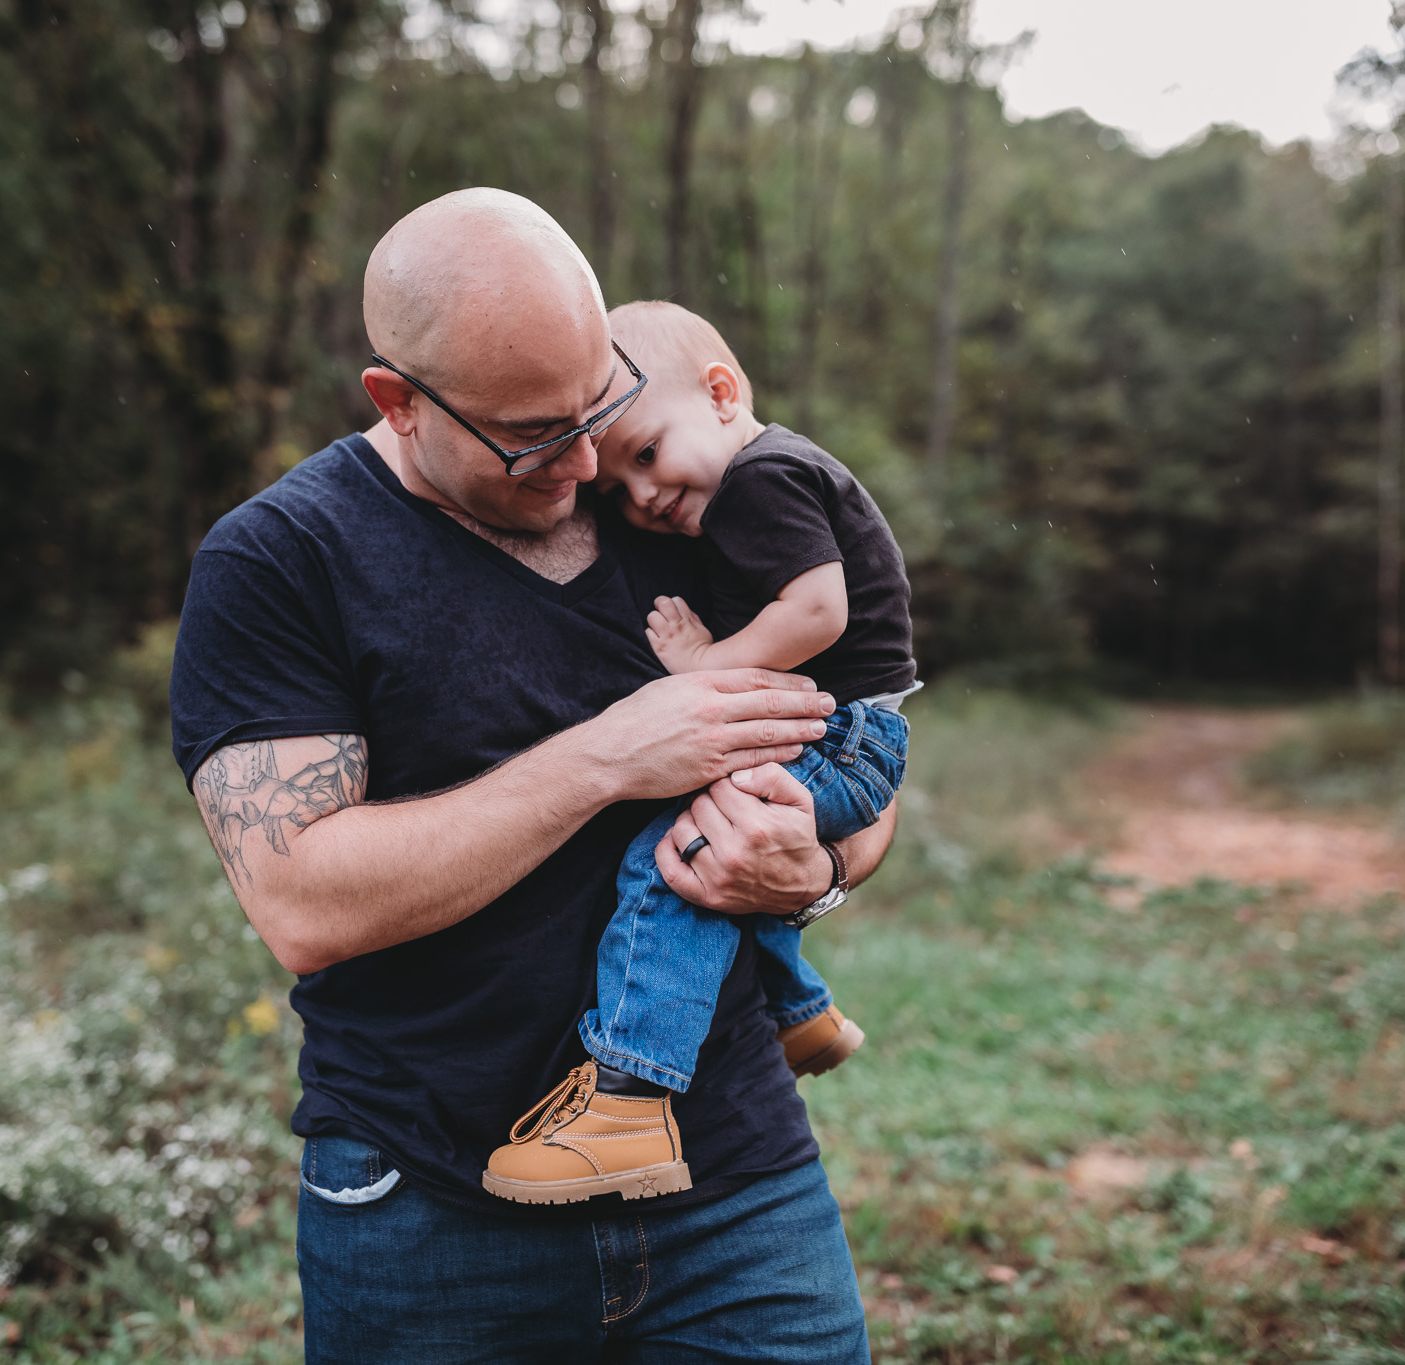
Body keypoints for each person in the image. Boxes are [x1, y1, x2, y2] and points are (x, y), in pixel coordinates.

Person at [170, 188, 884, 1362]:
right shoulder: (282, 561)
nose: (592, 461)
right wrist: (611, 756)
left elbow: (859, 770)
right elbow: (304, 903)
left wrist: (817, 863)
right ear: (398, 402)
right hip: (429, 1210)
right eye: (535, 437)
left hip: (737, 1189)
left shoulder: (681, 498)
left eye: (595, 406)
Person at [481, 302, 918, 1206]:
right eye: (617, 487)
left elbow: (819, 614)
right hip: (857, 731)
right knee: (732, 857)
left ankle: (632, 1103)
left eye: (644, 454)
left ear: (722, 394)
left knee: (678, 858)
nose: (638, 495)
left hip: (840, 735)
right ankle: (801, 1016)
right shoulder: (770, 475)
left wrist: (701, 667)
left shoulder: (761, 479)